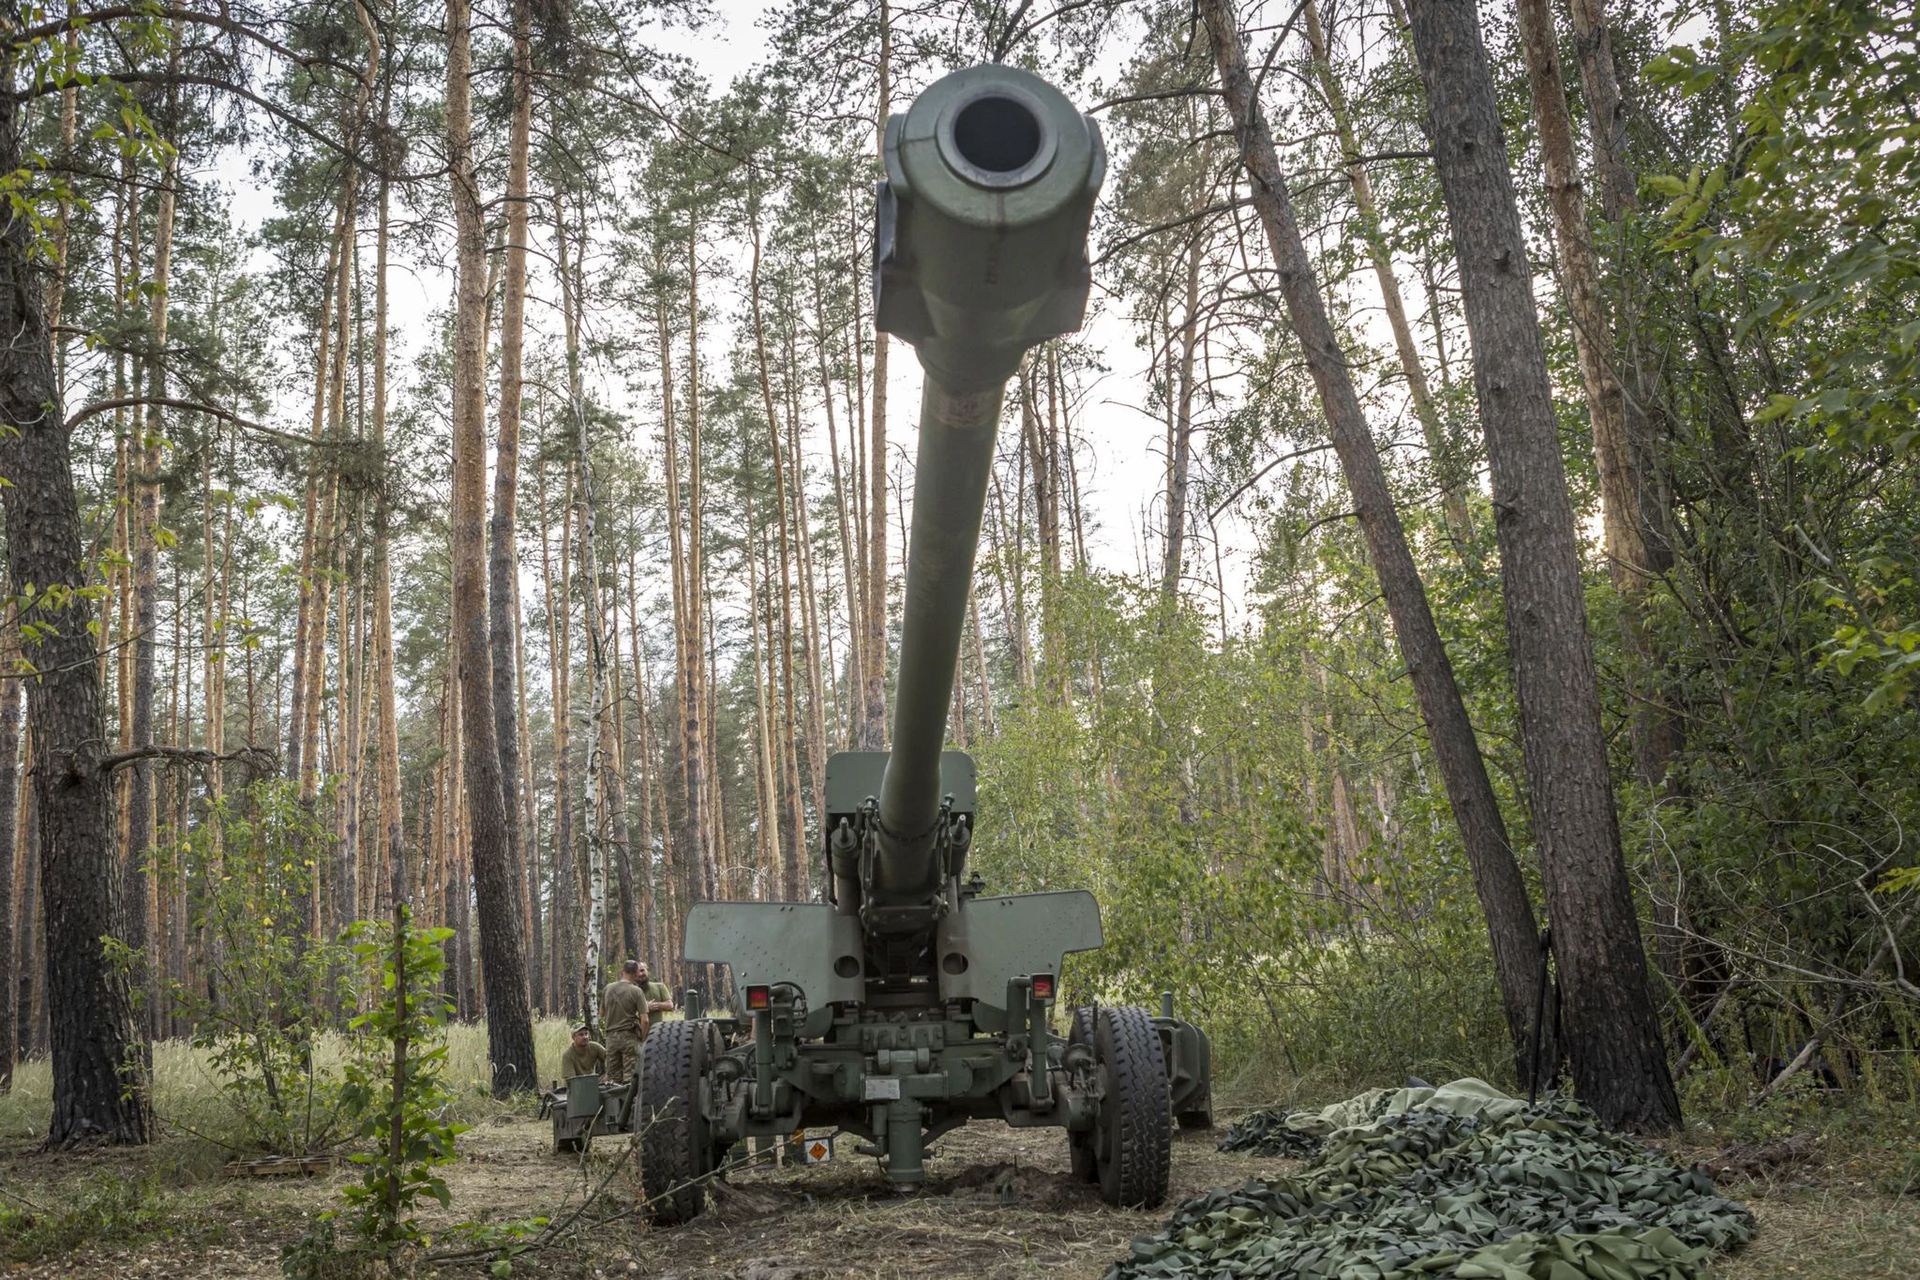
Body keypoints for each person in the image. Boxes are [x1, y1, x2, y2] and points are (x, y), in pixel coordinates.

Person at [601, 960, 651, 1086]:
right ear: (635, 974)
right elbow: (645, 1020)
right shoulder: (636, 991)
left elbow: (601, 1013)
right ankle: (631, 1104)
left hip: (611, 1038)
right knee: (631, 1078)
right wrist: (642, 1037)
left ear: (622, 972)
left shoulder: (608, 988)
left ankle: (616, 1105)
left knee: (613, 1079)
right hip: (629, 1037)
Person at [636, 960, 676, 1037]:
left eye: (642, 970)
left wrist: (654, 1005)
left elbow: (670, 1005)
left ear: (647, 971)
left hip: (657, 1033)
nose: (640, 974)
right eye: (637, 972)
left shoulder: (659, 986)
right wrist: (645, 1007)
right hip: (636, 1034)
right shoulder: (631, 990)